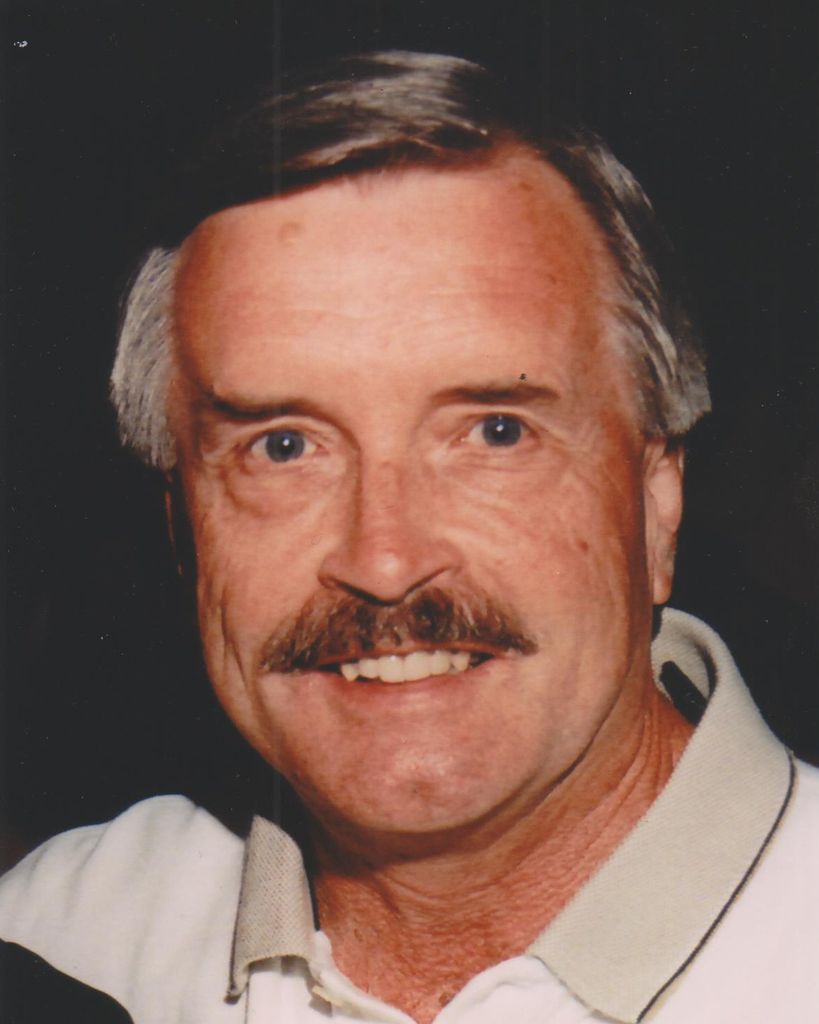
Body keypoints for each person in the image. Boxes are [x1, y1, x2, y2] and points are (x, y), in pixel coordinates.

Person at [0, 50, 816, 1024]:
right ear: (183, 524)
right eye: (284, 446)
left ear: (657, 493)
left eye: (495, 431)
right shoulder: (59, 935)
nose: (384, 560)